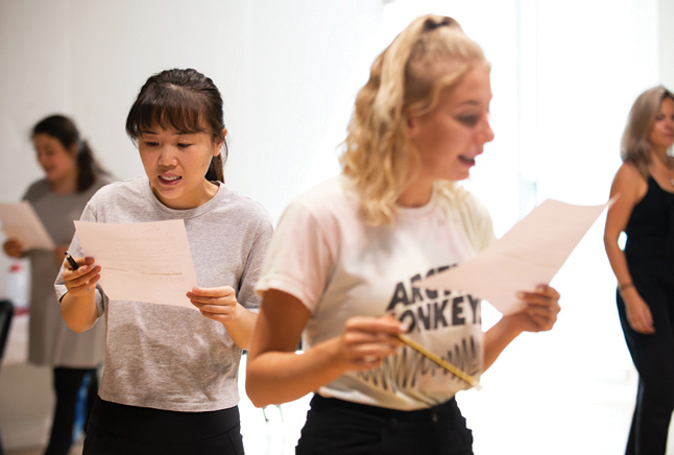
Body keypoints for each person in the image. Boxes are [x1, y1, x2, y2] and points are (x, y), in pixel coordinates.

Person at [245, 15, 561, 455]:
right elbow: (260, 384)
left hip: (445, 432)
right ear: (410, 118)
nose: (488, 133)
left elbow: (455, 370)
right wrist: (336, 355)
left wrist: (514, 324)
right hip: (350, 437)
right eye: (469, 116)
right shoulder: (318, 217)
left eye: (488, 112)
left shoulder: (467, 212)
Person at [54, 68, 273, 455]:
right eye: (151, 142)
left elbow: (262, 338)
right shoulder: (109, 205)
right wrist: (80, 290)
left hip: (207, 420)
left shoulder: (249, 221)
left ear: (217, 142)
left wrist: (232, 313)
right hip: (117, 416)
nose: (165, 160)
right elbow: (78, 320)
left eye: (184, 144)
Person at [2, 114, 110, 455]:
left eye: (50, 151)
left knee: (68, 386)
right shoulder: (35, 192)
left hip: (87, 302)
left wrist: (71, 251)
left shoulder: (102, 192)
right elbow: (21, 238)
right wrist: (13, 245)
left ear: (73, 148)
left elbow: (115, 245)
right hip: (47, 302)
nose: (42, 160)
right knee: (82, 385)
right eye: (38, 152)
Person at [603, 86, 674, 455]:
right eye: (660, 117)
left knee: (658, 390)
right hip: (643, 293)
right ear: (643, 122)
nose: (669, 124)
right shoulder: (630, 173)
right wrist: (629, 295)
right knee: (663, 391)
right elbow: (611, 238)